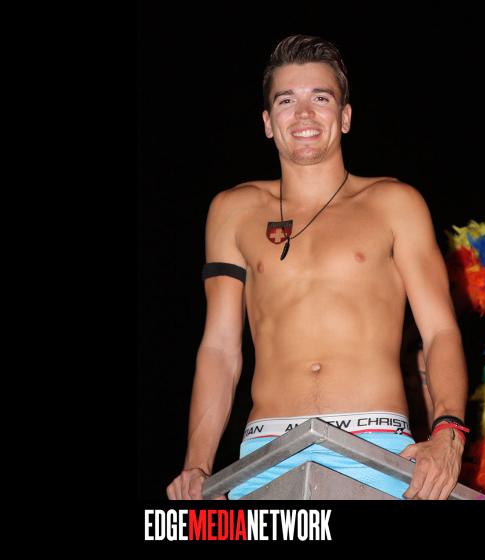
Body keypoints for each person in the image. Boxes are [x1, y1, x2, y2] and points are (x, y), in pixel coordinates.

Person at [166, 34, 469, 501]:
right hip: (266, 452)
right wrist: (197, 464)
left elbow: (440, 331)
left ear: (345, 117)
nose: (304, 114)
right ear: (268, 122)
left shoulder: (395, 203)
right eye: (287, 100)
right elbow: (220, 349)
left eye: (320, 98)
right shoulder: (232, 211)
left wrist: (448, 432)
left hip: (379, 447)